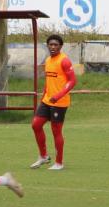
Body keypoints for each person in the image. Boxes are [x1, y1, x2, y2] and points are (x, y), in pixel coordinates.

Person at [30, 34, 77, 170]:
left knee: (56, 131)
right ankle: (43, 156)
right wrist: (44, 96)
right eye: (50, 44)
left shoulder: (64, 61)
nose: (53, 47)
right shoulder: (49, 60)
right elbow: (49, 81)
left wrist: (58, 95)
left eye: (56, 45)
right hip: (47, 101)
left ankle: (59, 162)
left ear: (60, 46)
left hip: (59, 102)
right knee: (36, 125)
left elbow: (72, 81)